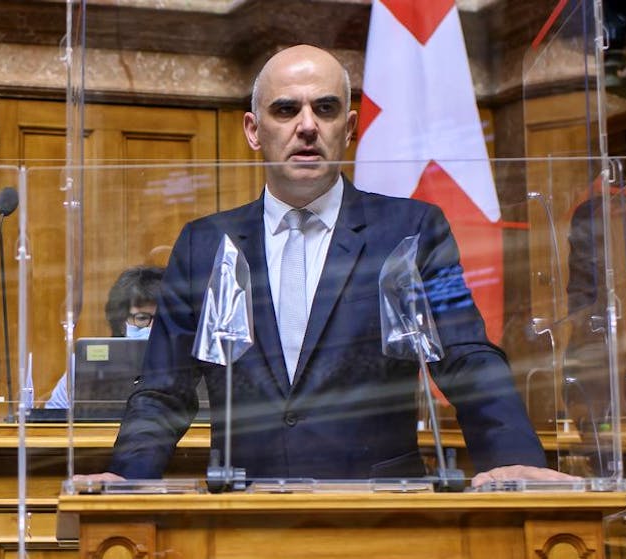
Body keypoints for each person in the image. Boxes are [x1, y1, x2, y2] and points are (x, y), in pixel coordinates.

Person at [83, 45, 572, 487]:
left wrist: (513, 460)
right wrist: (129, 478)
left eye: (325, 107)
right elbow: (164, 388)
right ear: (254, 131)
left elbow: (467, 357)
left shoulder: (410, 231)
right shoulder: (205, 244)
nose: (307, 125)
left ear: (351, 127)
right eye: (285, 109)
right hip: (244, 511)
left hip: (380, 512)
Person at [45, 266, 164, 408]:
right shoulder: (84, 366)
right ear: (121, 322)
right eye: (142, 318)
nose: (152, 329)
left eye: (163, 319)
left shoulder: (188, 363)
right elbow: (53, 418)